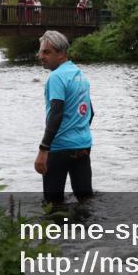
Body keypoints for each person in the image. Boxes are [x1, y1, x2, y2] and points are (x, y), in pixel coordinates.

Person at [34, 30, 94, 208]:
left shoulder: (56, 77)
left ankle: (57, 235)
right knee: (85, 202)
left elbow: (56, 113)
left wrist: (44, 149)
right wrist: (78, 133)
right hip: (83, 146)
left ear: (61, 53)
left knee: (53, 205)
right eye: (40, 52)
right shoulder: (80, 75)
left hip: (59, 148)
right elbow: (91, 112)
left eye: (46, 52)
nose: (41, 56)